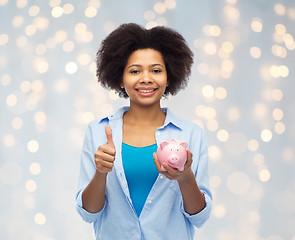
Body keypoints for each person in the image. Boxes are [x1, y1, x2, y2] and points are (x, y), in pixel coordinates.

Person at [75, 23, 212, 240]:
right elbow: (89, 213)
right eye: (135, 71)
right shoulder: (98, 130)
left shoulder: (191, 134)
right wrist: (101, 172)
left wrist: (185, 177)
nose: (146, 78)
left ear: (169, 77)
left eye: (156, 70)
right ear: (120, 78)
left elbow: (199, 217)